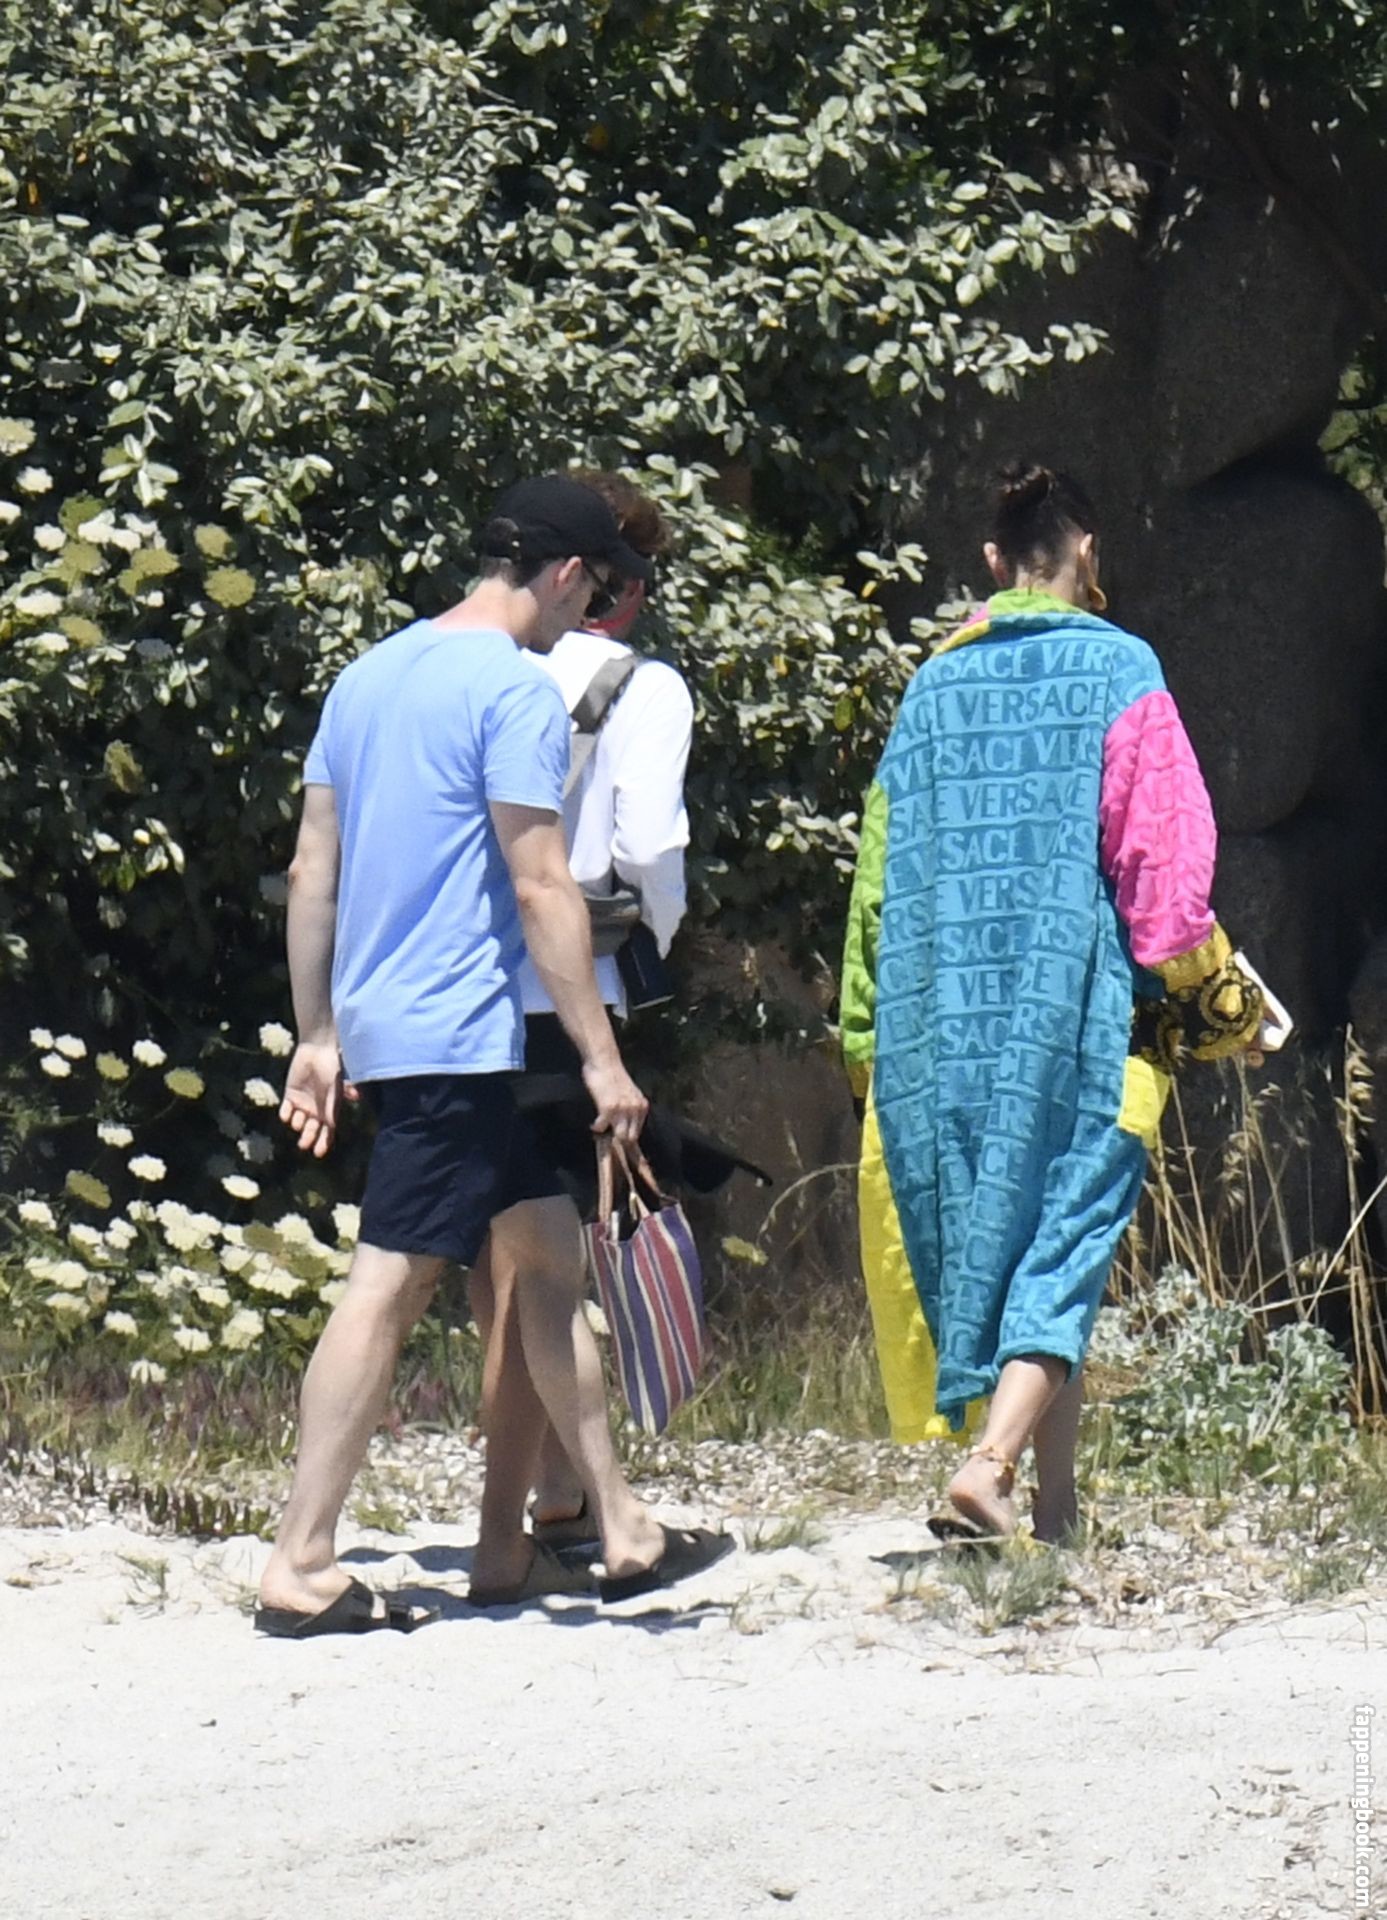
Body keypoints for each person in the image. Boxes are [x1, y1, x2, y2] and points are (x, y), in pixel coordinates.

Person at [255, 475, 732, 1636]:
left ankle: (615, 1520)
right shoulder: (515, 693)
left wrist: (317, 1033)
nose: (592, 614)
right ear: (565, 574)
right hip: (460, 1035)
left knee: (547, 1257)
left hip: (392, 1025)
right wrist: (603, 1059)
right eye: (597, 591)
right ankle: (301, 1559)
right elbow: (540, 884)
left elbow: (312, 868)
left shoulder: (368, 676)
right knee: (387, 1286)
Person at [841, 462, 1266, 1544]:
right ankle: (987, 1469)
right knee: (1067, 1245)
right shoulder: (1123, 671)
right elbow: (1163, 886)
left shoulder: (932, 686)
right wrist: (1222, 1004)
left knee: (1012, 1249)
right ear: (1086, 549)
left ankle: (1058, 1512)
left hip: (940, 1031)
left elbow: (876, 879)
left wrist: (864, 1036)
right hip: (1080, 1021)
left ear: (994, 562)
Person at [467, 470, 763, 1556]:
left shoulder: (477, 664)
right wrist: (653, 944)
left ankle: (541, 1498)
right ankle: (582, 1502)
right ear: (617, 583)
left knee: (496, 1261)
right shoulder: (646, 687)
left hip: (460, 990)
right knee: (555, 1262)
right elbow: (646, 845)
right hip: (570, 988)